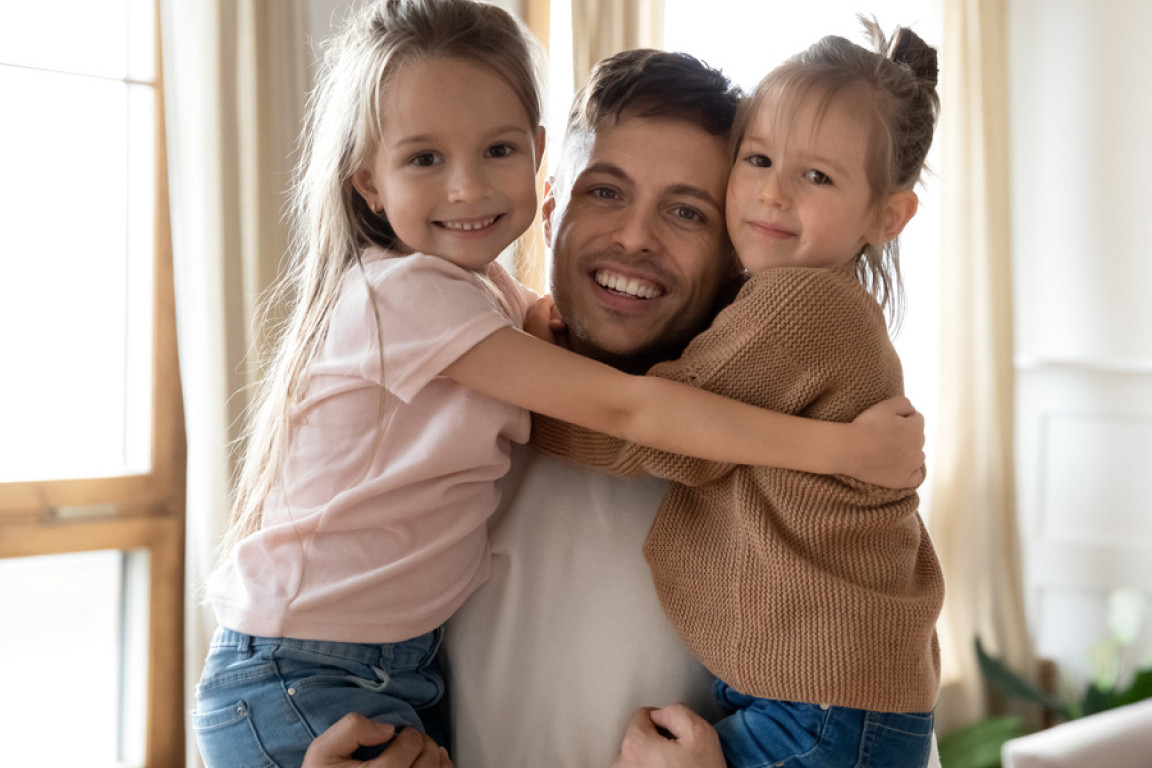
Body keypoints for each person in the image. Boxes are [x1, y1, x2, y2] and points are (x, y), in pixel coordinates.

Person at [194, 2, 925, 767]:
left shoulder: (782, 481)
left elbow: (868, 725)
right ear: (549, 207)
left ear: (737, 248)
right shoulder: (453, 395)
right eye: (604, 192)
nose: (635, 237)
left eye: (687, 211)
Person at [532, 23, 945, 768]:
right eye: (758, 160)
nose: (774, 192)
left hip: (821, 708)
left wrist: (524, 383)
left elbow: (646, 426)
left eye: (817, 177)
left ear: (887, 217)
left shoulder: (798, 305)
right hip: (833, 700)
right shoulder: (800, 305)